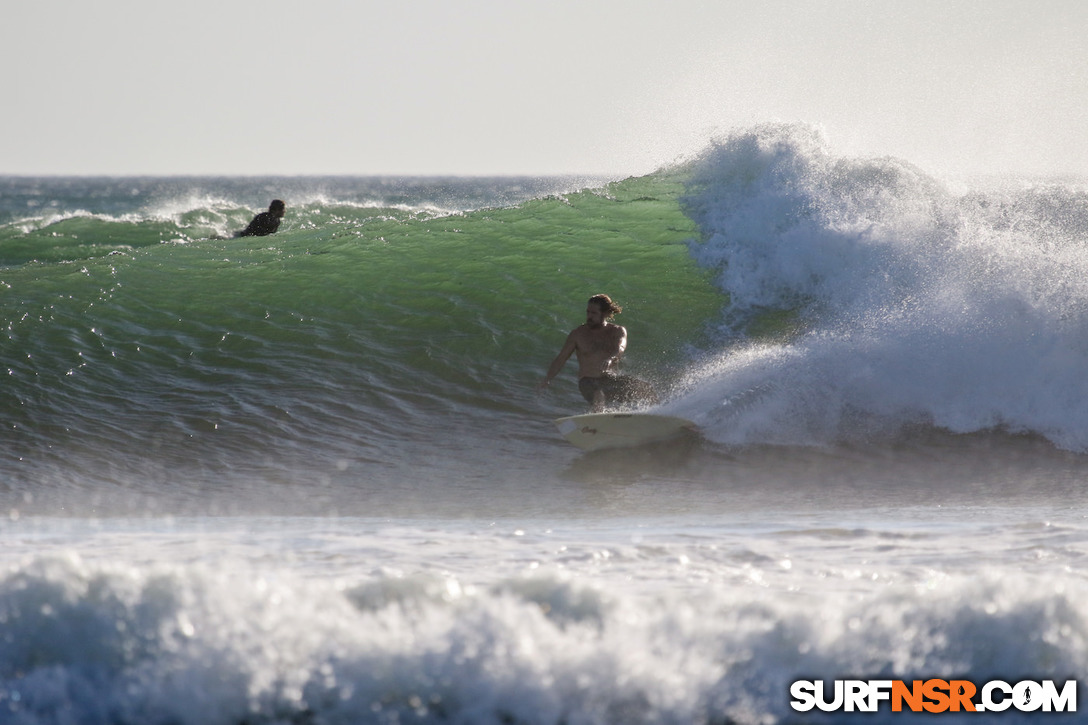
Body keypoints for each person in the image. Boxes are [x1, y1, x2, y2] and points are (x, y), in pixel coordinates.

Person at [539, 293, 659, 412]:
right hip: (587, 381)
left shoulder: (617, 331)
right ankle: (596, 424)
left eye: (594, 313)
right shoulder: (578, 334)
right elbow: (561, 358)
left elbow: (620, 348)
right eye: (588, 312)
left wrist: (611, 358)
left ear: (606, 313)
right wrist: (547, 379)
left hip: (610, 380)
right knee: (598, 395)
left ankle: (659, 415)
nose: (589, 316)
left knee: (645, 388)